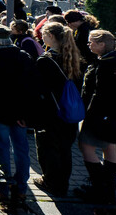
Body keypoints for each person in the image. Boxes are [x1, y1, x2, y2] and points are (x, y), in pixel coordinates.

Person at [77, 29, 116, 215]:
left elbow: (99, 92)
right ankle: (107, 188)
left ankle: (100, 186)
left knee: (86, 146)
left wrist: (89, 113)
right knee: (110, 147)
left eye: (92, 42)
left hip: (100, 113)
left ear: (102, 44)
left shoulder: (106, 64)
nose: (89, 45)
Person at [0, 24, 36, 205]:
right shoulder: (23, 56)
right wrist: (25, 113)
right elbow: (29, 88)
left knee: (2, 149)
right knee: (21, 149)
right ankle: (21, 188)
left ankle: (3, 188)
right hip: (20, 112)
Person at [33, 22, 83, 197]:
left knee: (48, 148)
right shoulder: (73, 57)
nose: (41, 37)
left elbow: (39, 89)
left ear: (51, 36)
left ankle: (51, 181)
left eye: (44, 34)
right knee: (64, 149)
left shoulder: (46, 61)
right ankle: (63, 183)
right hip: (69, 111)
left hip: (50, 111)